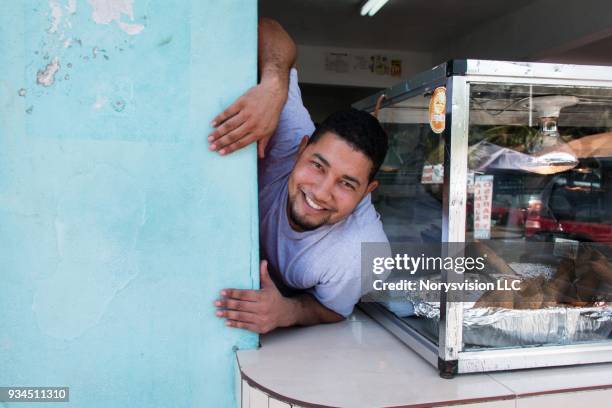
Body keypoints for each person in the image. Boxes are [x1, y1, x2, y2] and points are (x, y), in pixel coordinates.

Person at [212, 19, 389, 333]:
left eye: (347, 183)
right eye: (318, 165)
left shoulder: (360, 253)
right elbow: (267, 28)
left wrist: (287, 312)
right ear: (302, 148)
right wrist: (274, 86)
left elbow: (333, 310)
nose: (321, 192)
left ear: (367, 191)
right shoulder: (289, 133)